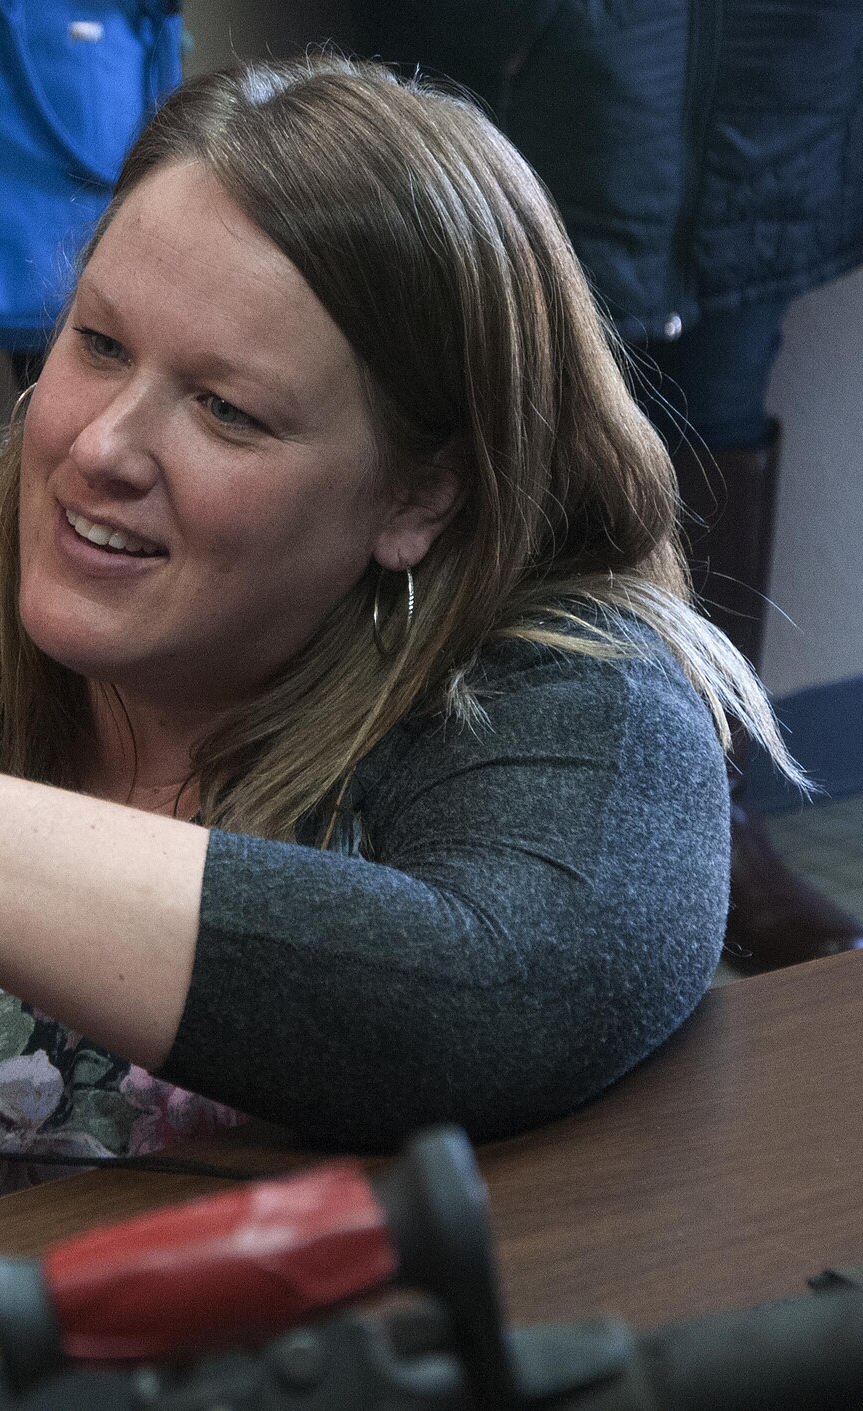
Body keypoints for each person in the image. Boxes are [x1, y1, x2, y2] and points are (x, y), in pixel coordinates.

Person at [0, 55, 797, 1254]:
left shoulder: (577, 696)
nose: (102, 447)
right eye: (99, 345)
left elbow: (495, 997)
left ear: (418, 498)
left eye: (226, 409)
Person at [359, 0, 863, 973]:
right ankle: (472, 818)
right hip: (559, 47)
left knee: (718, 382)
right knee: (486, 388)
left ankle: (712, 815)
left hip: (757, 53)